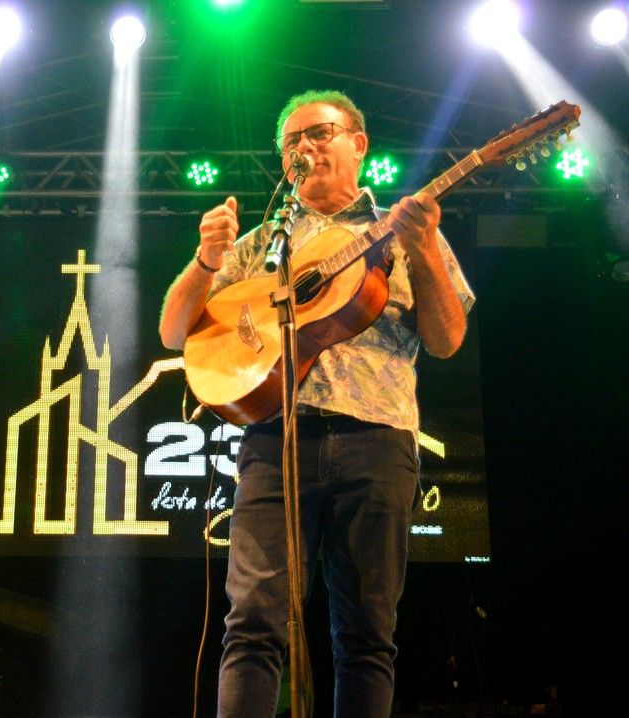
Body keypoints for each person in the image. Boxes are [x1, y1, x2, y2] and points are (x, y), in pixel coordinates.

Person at [159, 90, 475, 717]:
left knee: (366, 636)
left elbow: (447, 340)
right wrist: (204, 261)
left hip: (378, 440)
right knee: (251, 623)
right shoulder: (258, 244)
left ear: (358, 143)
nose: (305, 148)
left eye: (319, 133)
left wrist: (427, 247)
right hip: (275, 442)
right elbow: (174, 332)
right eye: (291, 142)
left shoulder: (404, 231)